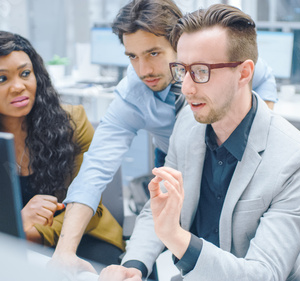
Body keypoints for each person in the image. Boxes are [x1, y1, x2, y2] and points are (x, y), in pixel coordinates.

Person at [98, 4, 300, 281]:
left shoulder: (296, 158)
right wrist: (133, 265)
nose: (187, 88)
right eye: (182, 70)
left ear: (243, 73)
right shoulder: (187, 124)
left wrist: (176, 237)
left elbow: (262, 275)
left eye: (201, 71)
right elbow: (158, 209)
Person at [51, 0, 279, 272]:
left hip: (229, 150)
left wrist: (254, 132)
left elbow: (262, 77)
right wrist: (65, 251)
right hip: (174, 157)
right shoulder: (133, 96)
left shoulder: (225, 65)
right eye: (132, 56)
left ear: (179, 44)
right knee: (165, 219)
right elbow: (95, 168)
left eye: (154, 53)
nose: (143, 69)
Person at [0, 31, 125, 265]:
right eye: (1, 79)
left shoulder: (73, 123)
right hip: (1, 244)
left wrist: (30, 233)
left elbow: (89, 202)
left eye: (25, 74)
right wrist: (15, 224)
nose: (18, 87)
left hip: (80, 234)